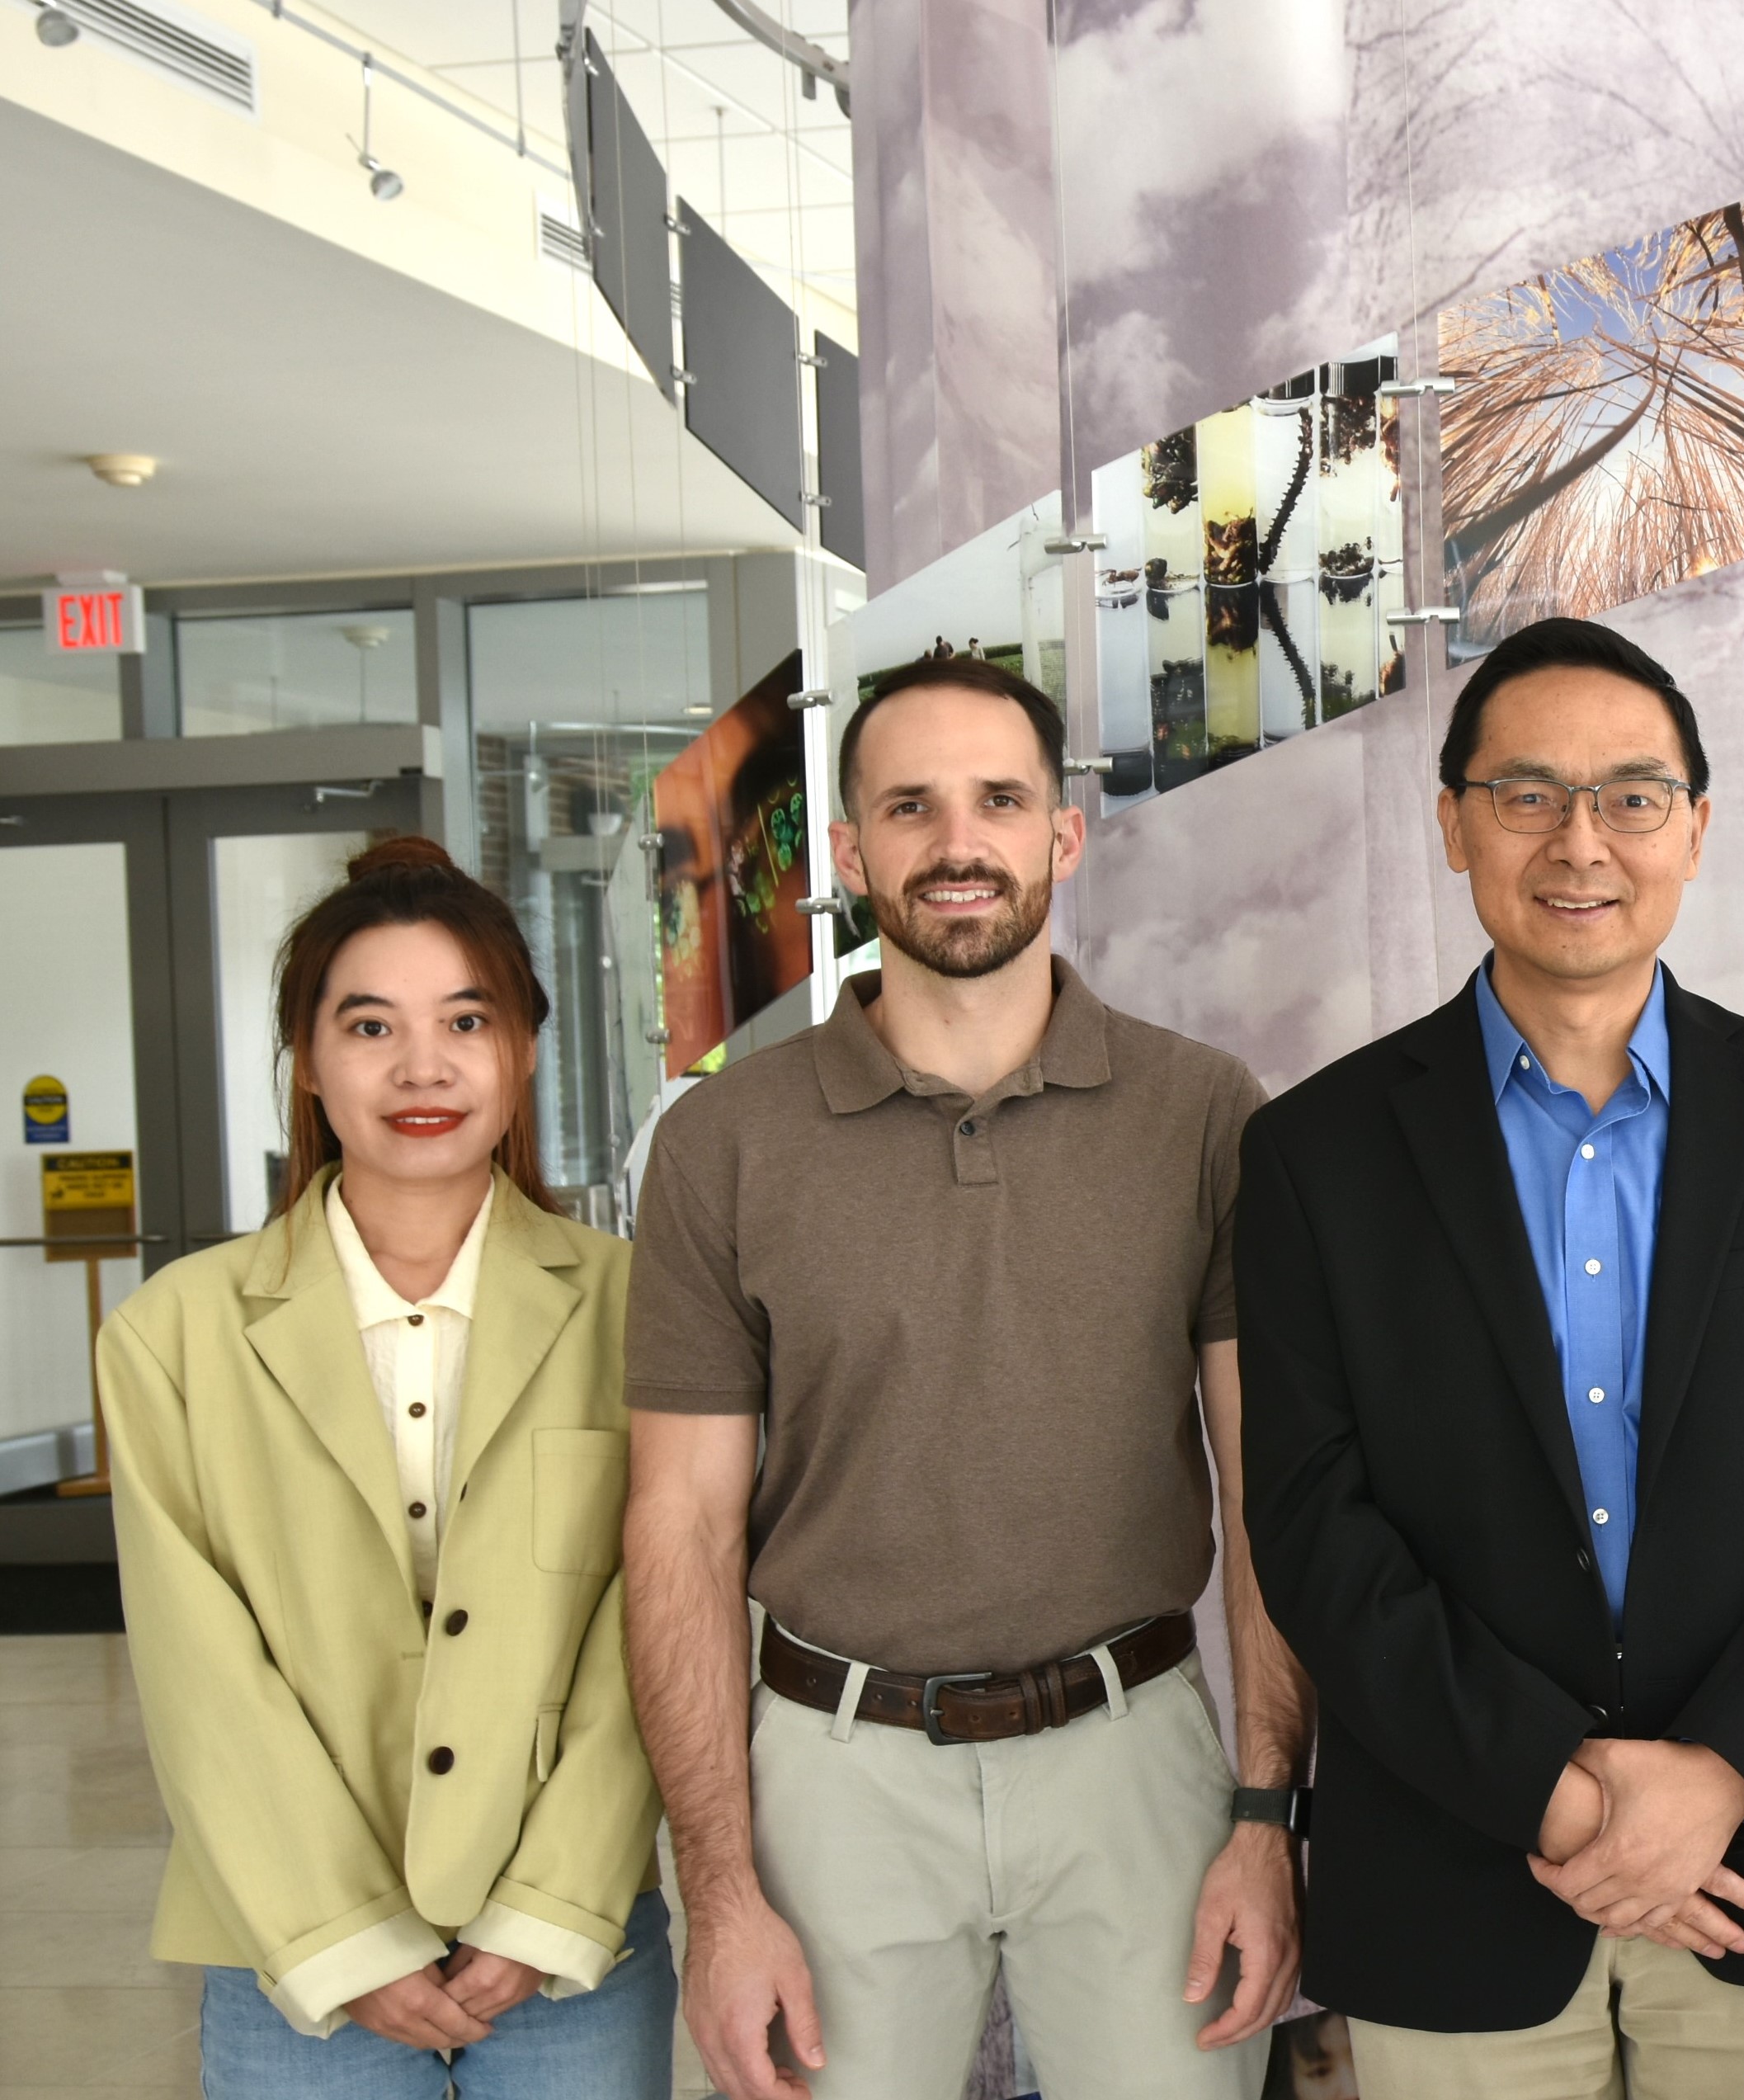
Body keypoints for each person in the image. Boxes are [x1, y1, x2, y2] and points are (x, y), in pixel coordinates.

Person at [1237, 616, 1744, 2098]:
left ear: (1695, 827)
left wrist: (1720, 1777)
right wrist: (1560, 1798)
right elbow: (1313, 1526)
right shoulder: (1316, 1152)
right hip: (1456, 1869)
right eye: (1528, 794)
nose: (1583, 841)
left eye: (1632, 795)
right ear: (1452, 824)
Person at [620, 652, 1306, 2100]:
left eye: (999, 800)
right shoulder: (722, 1145)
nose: (958, 844)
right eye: (911, 807)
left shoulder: (1205, 1115)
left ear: (1061, 835)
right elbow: (678, 1528)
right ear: (853, 848)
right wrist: (724, 1887)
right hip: (830, 1767)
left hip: (1136, 1762)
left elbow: (1267, 1491)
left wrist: (1264, 1810)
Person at [102, 836, 672, 2097]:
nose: (423, 1066)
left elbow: (658, 1615)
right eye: (370, 1026)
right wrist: (340, 1937)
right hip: (288, 1951)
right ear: (309, 1061)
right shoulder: (173, 1334)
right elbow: (201, 1673)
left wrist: (548, 1905)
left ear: (523, 1049)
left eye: (465, 1019)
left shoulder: (643, 1311)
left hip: (575, 1944)